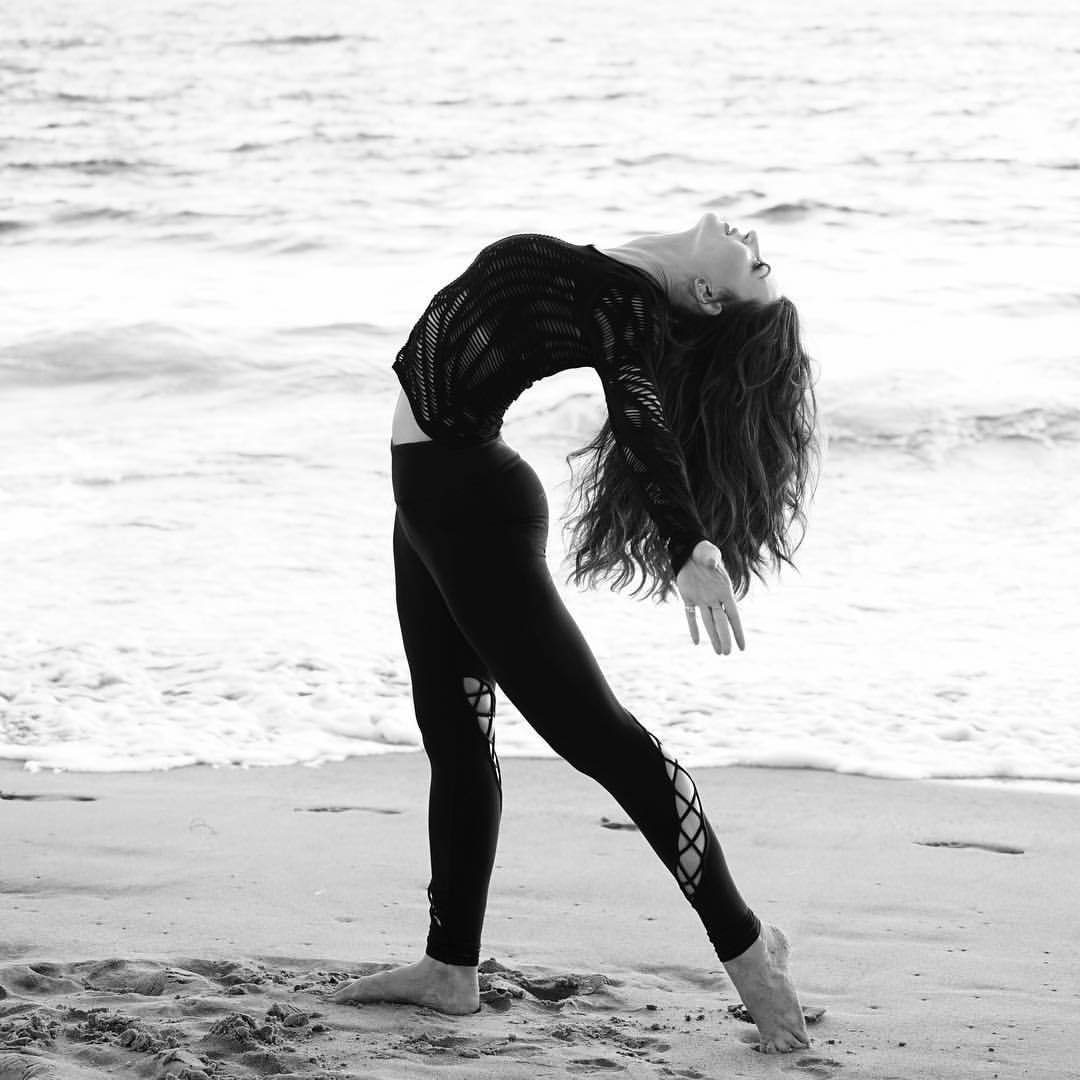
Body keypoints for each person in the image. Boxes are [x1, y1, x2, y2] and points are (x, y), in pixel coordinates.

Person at [326, 213, 819, 1054]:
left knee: (606, 743)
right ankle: (449, 968)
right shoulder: (622, 276)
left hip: (469, 510)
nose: (754, 241)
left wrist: (686, 542)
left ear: (708, 293)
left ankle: (749, 953)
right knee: (455, 735)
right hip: (435, 504)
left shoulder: (625, 302)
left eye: (757, 265)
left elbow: (638, 412)